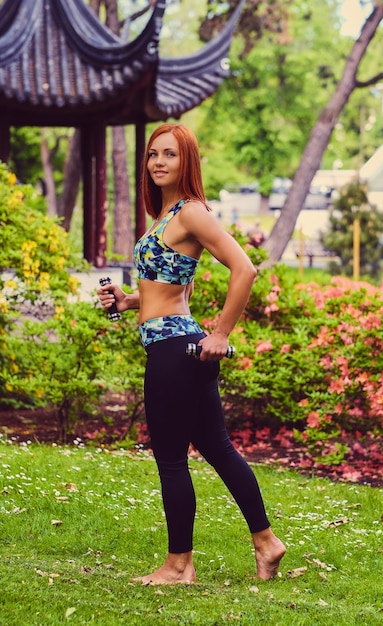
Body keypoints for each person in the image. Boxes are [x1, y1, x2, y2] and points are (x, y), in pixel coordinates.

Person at [97, 123, 285, 585]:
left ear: (188, 163)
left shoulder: (191, 213)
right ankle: (266, 542)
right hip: (179, 343)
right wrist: (128, 302)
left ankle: (179, 565)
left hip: (174, 351)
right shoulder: (166, 216)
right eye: (152, 154)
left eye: (170, 155)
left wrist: (221, 334)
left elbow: (245, 269)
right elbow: (174, 288)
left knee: (171, 458)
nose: (158, 162)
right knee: (218, 449)